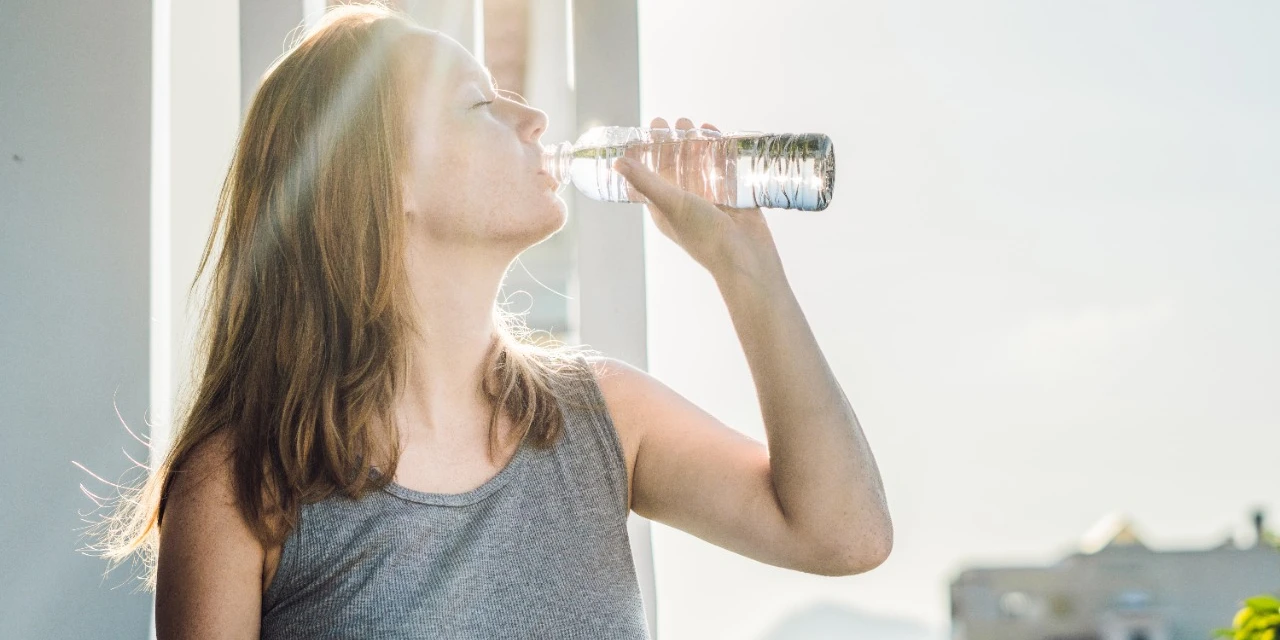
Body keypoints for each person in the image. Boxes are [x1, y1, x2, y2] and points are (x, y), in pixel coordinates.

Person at [83, 3, 892, 638]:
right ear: (382, 180)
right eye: (480, 103)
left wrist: (746, 268)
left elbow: (845, 534)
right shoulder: (239, 484)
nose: (533, 118)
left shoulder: (603, 419)